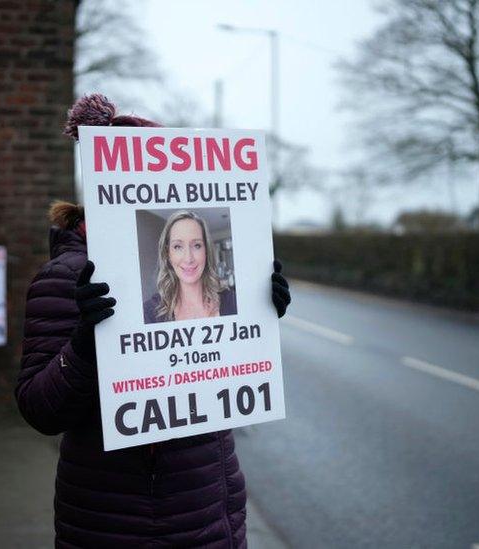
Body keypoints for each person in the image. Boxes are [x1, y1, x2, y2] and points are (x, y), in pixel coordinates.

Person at [15, 94, 291, 548]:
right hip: (118, 523)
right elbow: (40, 409)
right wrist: (86, 343)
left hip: (212, 510)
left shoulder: (216, 293)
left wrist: (262, 313)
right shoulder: (65, 278)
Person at [143, 209, 237, 324]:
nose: (188, 258)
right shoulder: (149, 313)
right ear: (168, 254)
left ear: (206, 251)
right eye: (178, 247)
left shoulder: (234, 301)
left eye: (197, 245)